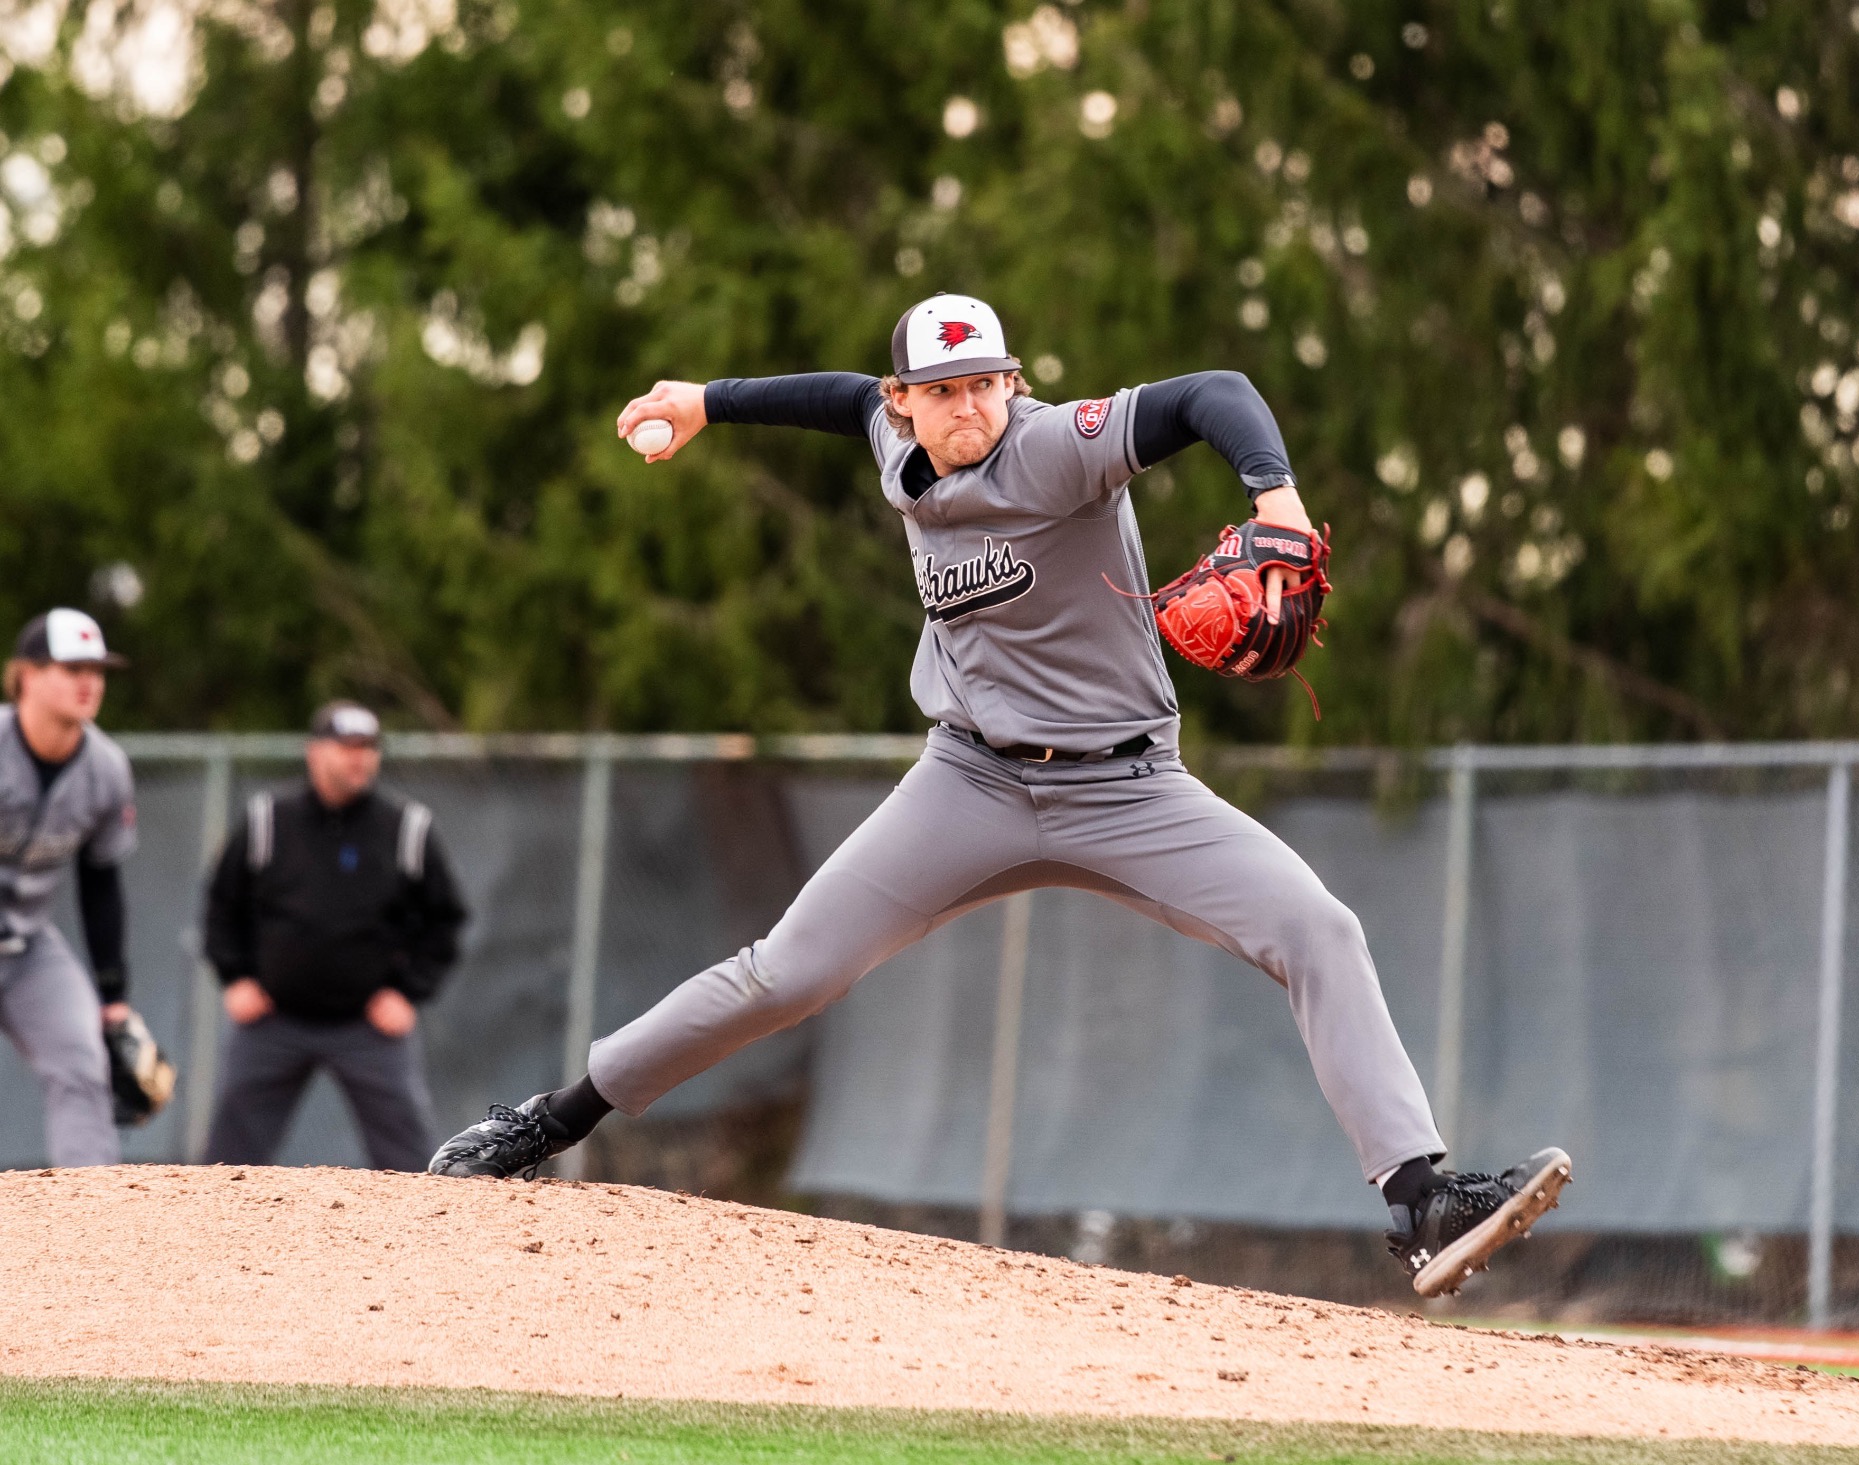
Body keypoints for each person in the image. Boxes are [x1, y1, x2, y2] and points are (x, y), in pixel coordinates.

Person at [431, 293, 1569, 1295]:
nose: (967, 406)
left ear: (1014, 383)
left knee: (1318, 927)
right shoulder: (891, 437)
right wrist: (705, 401)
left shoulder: (1059, 447)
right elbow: (835, 398)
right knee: (788, 971)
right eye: (942, 389)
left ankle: (1420, 1199)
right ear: (906, 402)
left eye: (985, 382)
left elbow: (1211, 393)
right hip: (967, 781)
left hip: (1129, 789)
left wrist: (1273, 496)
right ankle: (552, 1119)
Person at [202, 701, 466, 1171]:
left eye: (368, 747)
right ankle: (206, 1219)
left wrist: (409, 992)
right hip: (274, 1019)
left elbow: (445, 919)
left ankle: (426, 1220)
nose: (358, 758)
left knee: (412, 1161)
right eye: (346, 746)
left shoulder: (406, 828)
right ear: (314, 752)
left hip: (366, 1026)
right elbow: (223, 904)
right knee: (226, 1158)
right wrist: (235, 976)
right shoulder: (268, 820)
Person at [0, 609, 139, 1166]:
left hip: (29, 949)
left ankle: (93, 1210)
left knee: (83, 1064)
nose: (90, 682)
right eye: (72, 668)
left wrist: (114, 996)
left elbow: (100, 881)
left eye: (97, 670)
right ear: (27, 675)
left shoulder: (106, 768)